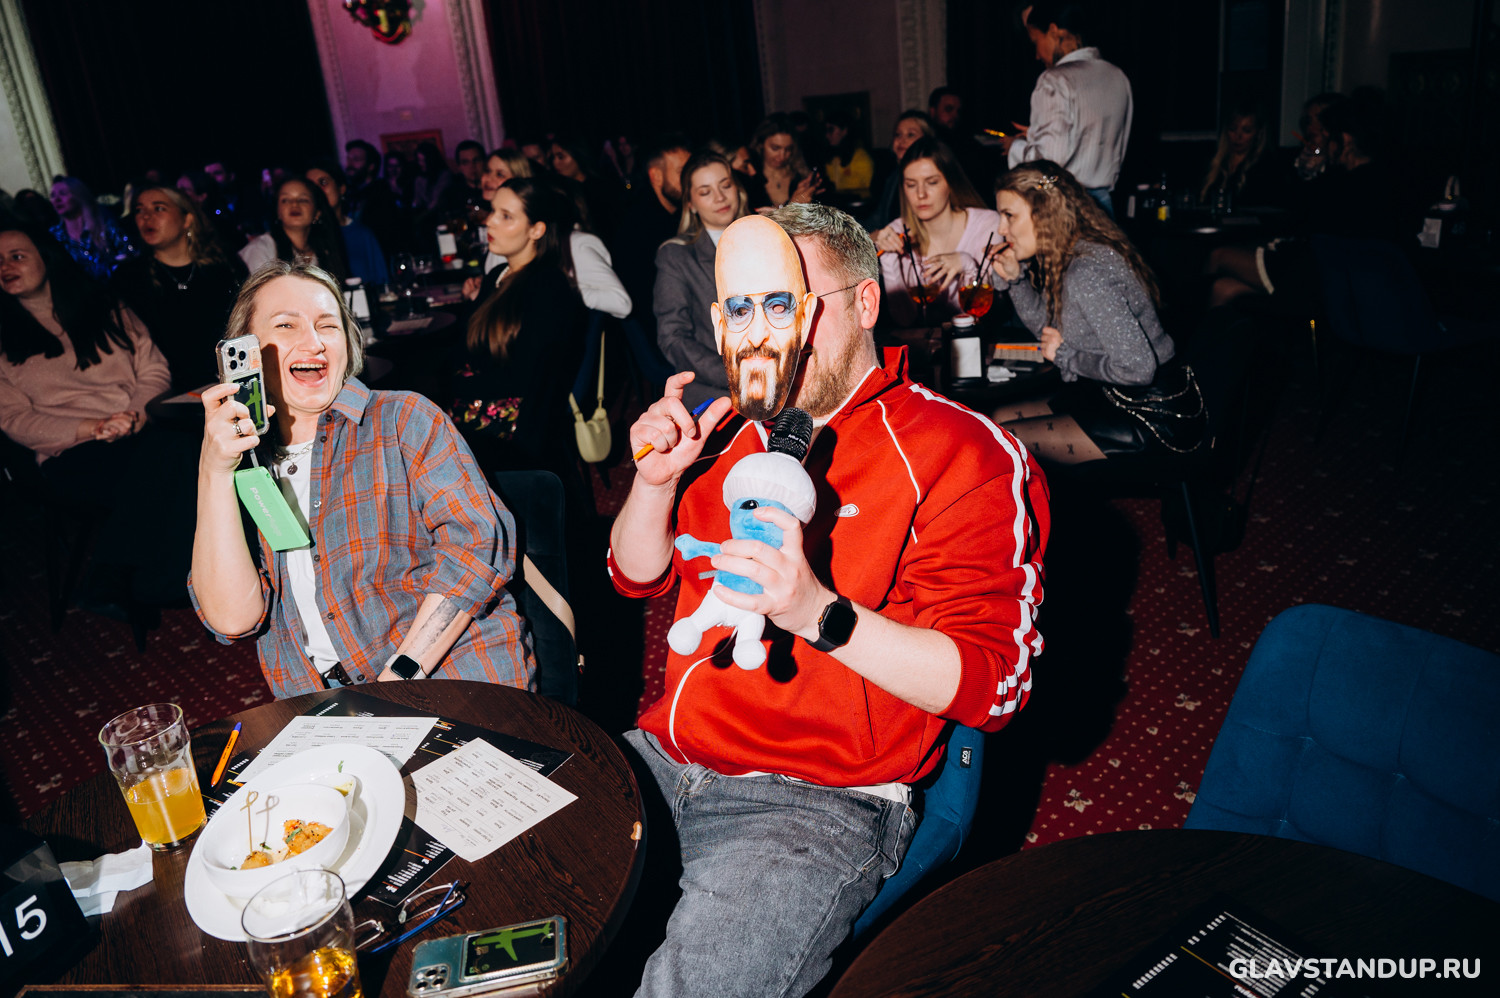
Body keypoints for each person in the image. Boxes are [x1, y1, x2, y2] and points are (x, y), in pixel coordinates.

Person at [609, 207, 1047, 998]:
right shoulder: (733, 432)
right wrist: (654, 483)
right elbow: (636, 575)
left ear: (866, 303)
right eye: (750, 308)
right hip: (665, 757)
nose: (774, 333)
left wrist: (818, 613)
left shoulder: (961, 451)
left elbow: (996, 684)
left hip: (814, 802)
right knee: (505, 896)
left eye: (794, 303)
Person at [189, 259, 535, 696]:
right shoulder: (242, 463)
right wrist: (213, 470)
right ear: (245, 352)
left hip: (448, 676)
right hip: (319, 699)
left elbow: (475, 549)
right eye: (287, 325)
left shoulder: (403, 419)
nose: (314, 342)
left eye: (327, 326)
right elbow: (232, 620)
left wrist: (398, 679)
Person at [0, 226, 194, 606]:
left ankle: (115, 574)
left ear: (46, 258)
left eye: (16, 256)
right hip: (72, 452)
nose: (5, 267)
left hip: (137, 429)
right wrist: (94, 427)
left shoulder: (105, 307)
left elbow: (152, 368)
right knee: (175, 458)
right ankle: (164, 578)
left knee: (180, 452)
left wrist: (135, 416)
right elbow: (15, 420)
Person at [990, 163, 1191, 464]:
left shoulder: (1086, 271)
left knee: (1003, 443)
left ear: (1045, 213)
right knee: (997, 419)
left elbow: (1138, 368)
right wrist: (1016, 280)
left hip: (1151, 412)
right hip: (1108, 392)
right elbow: (1049, 333)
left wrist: (1066, 357)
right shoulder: (1068, 254)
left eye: (1009, 216)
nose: (1001, 229)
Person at [1205, 91, 1404, 312]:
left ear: (1345, 139)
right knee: (1222, 288)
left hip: (1319, 278)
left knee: (1219, 255)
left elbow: (1312, 228)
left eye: (1327, 131)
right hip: (1318, 269)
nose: (1319, 133)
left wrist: (1312, 179)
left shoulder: (1351, 181)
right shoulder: (1355, 176)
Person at [449, 179, 585, 475]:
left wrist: (449, 390)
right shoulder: (498, 275)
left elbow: (528, 378)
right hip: (479, 405)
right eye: (493, 211)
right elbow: (465, 350)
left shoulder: (549, 287)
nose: (490, 222)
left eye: (506, 216)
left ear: (536, 230)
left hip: (517, 429)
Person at [1002, 3, 1132, 216]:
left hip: (1066, 206)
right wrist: (1035, 135)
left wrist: (1016, 147)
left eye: (1036, 41)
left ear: (1053, 31)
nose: (1037, 55)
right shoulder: (1117, 76)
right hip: (1105, 206)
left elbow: (1049, 162)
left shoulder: (1054, 79)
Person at [109, 186, 245, 390]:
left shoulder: (224, 266)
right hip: (164, 390)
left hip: (227, 382)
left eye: (159, 208)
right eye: (139, 210)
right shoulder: (129, 278)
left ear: (186, 219)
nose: (146, 217)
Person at [653, 150, 750, 411]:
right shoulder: (676, 256)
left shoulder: (766, 236)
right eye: (705, 192)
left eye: (725, 185)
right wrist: (737, 374)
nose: (720, 197)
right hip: (719, 389)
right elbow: (673, 338)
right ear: (691, 203)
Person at [872, 138, 998, 325]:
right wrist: (888, 258)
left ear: (951, 182)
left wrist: (968, 265)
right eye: (911, 185)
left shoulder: (987, 226)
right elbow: (905, 320)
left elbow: (992, 315)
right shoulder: (897, 233)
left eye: (931, 182)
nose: (921, 194)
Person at [611, 135, 692, 355]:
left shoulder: (678, 214)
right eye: (682, 172)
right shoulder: (638, 227)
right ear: (656, 176)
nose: (691, 179)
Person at [239, 176, 349, 283]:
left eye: (303, 200)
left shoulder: (325, 250)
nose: (294, 204)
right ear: (277, 211)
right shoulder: (260, 249)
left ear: (317, 213)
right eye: (285, 200)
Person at [305, 160, 390, 287]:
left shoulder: (362, 234)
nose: (317, 191)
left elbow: (383, 283)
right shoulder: (305, 236)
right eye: (311, 186)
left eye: (323, 182)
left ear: (341, 188)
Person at [48, 177, 136, 281]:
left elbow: (129, 252)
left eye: (63, 193)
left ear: (78, 195)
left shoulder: (103, 223)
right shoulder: (54, 236)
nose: (57, 199)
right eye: (53, 195)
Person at [1198, 103, 1282, 208]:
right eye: (1232, 129)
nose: (1238, 136)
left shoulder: (1264, 168)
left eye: (1246, 131)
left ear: (1258, 133)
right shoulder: (1214, 163)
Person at [865, 110, 936, 230]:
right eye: (898, 135)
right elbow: (877, 219)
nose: (901, 140)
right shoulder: (894, 177)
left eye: (910, 135)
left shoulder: (935, 179)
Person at [746, 114, 824, 209]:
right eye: (775, 148)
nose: (782, 156)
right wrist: (792, 206)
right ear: (761, 144)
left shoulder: (799, 176)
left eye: (788, 149)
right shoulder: (751, 177)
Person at [548, 135, 618, 238]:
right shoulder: (561, 191)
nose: (555, 162)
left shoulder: (601, 189)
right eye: (553, 158)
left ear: (577, 155)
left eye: (561, 157)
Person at [343, 138, 402, 253]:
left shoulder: (381, 194)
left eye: (356, 159)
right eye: (348, 159)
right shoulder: (350, 194)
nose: (350, 164)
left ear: (371, 166)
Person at [821, 109, 874, 201]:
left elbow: (869, 193)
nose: (827, 135)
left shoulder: (861, 158)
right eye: (826, 130)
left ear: (844, 131)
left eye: (831, 130)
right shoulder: (831, 157)